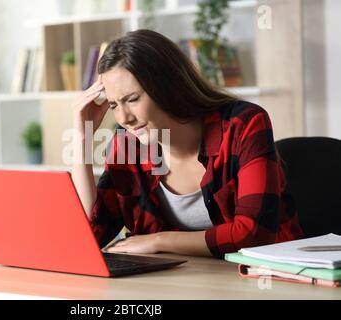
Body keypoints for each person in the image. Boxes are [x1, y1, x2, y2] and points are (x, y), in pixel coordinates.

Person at [71, 29, 303, 259]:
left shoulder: (242, 125)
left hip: (264, 279)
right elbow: (88, 236)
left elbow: (254, 233)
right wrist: (82, 138)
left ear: (168, 85)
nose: (124, 119)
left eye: (132, 99)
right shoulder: (128, 146)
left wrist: (160, 240)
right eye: (113, 105)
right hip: (178, 282)